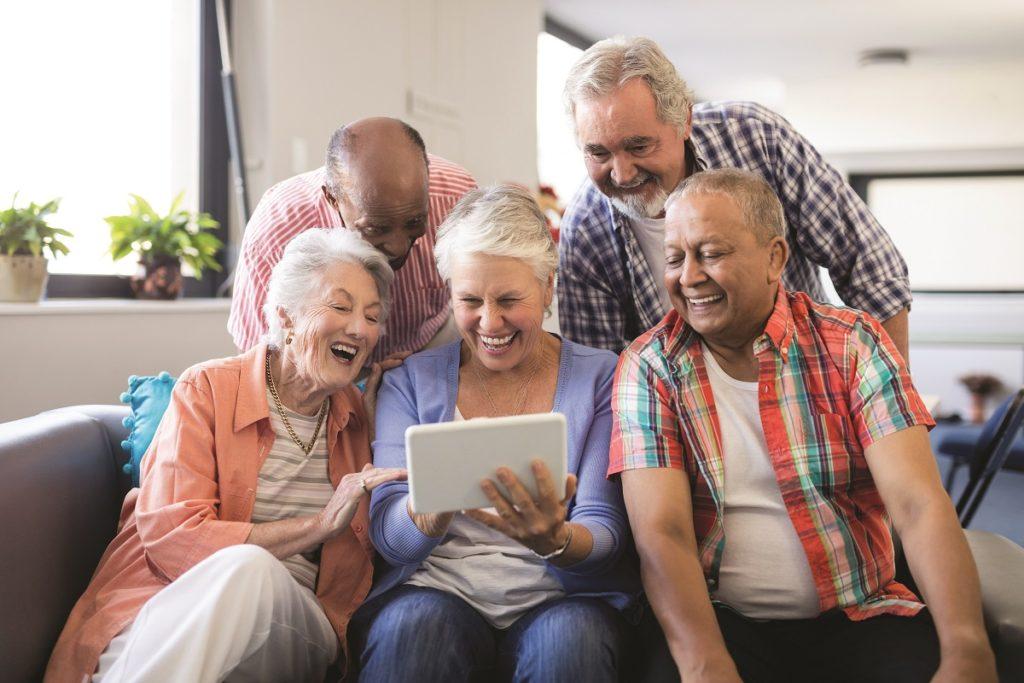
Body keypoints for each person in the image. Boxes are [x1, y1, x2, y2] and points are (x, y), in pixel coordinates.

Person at [610, 168, 997, 683]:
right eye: (676, 257)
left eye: (712, 253)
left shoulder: (853, 343)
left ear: (775, 258)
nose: (689, 277)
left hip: (861, 613)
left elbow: (918, 505)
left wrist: (967, 647)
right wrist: (706, 665)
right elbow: (664, 534)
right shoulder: (649, 365)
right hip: (721, 621)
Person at [46, 229, 408, 682]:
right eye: (340, 306)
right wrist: (318, 526)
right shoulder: (207, 390)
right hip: (172, 599)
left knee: (248, 569)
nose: (359, 328)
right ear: (286, 317)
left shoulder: (365, 420)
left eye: (371, 317)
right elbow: (173, 539)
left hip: (295, 625)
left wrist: (391, 409)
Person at [349, 185, 640, 681]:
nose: (489, 322)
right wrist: (429, 509)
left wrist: (558, 540)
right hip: (435, 591)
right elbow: (390, 537)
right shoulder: (409, 382)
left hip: (561, 598)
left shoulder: (604, 377)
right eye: (470, 300)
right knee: (414, 635)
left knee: (570, 647)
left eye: (509, 299)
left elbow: (605, 531)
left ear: (548, 287)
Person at [558, 36, 911, 361]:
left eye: (639, 146)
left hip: (809, 384)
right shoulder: (586, 232)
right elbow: (602, 377)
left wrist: (893, 405)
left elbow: (871, 269)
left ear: (684, 121)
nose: (621, 174)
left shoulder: (756, 138)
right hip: (688, 417)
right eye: (598, 153)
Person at [229, 116, 477, 361]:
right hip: (324, 364)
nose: (399, 246)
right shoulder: (275, 231)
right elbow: (258, 355)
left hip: (427, 347)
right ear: (332, 199)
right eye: (375, 229)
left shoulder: (456, 199)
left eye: (414, 223)